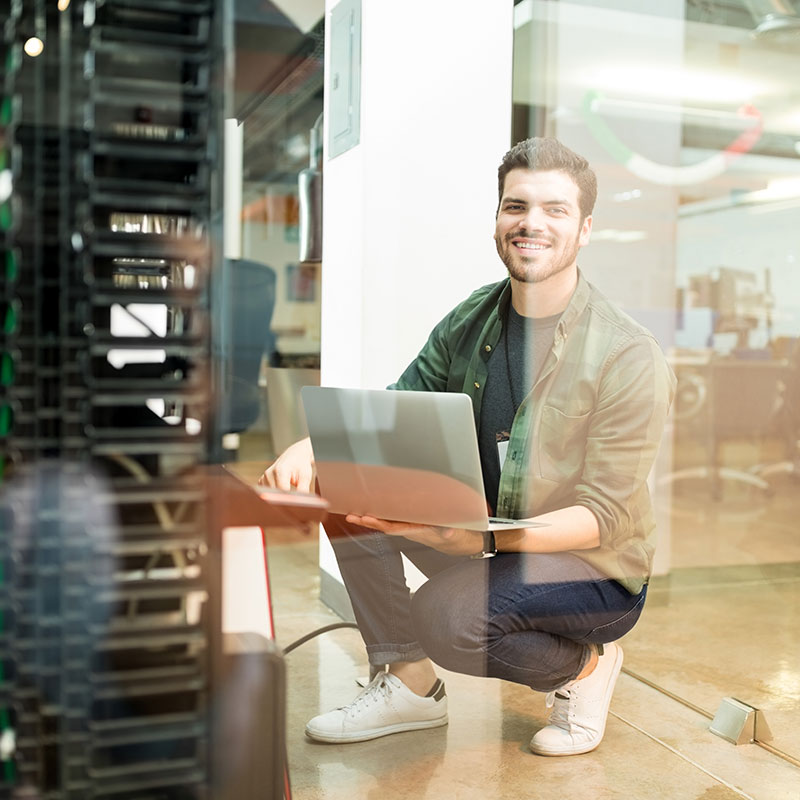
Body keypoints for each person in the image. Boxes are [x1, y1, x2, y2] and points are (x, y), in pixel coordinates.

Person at [260, 137, 675, 756]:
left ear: (585, 229)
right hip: (488, 537)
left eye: (555, 210)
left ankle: (586, 669)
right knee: (343, 484)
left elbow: (603, 516)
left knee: (450, 619)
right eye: (516, 206)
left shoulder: (626, 352)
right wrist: (313, 446)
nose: (531, 222)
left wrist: (479, 540)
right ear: (498, 219)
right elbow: (392, 414)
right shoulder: (472, 319)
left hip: (594, 567)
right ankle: (410, 686)